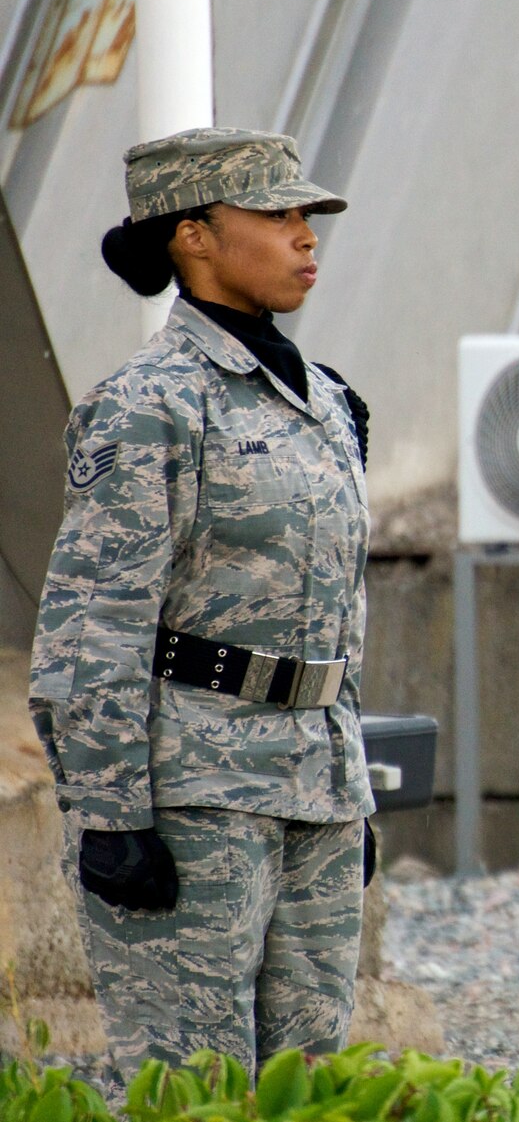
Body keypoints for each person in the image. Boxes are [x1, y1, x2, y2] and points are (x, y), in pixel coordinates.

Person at [29, 128, 375, 1082]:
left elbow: (339, 605)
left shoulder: (325, 400)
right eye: (277, 214)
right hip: (197, 796)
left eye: (308, 215)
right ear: (194, 236)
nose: (307, 236)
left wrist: (351, 779)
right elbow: (93, 619)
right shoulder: (153, 403)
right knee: (197, 1091)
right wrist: (110, 813)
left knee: (315, 1089)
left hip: (315, 789)